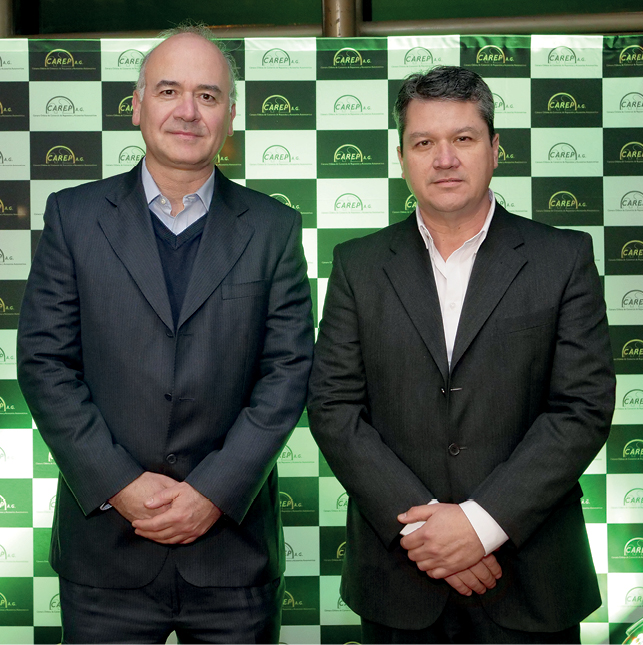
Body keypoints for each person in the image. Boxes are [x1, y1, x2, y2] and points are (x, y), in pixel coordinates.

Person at [17, 25, 313, 644]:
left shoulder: (274, 228)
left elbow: (287, 373)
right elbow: (45, 363)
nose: (188, 111)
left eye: (208, 95)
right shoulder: (73, 217)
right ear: (136, 105)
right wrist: (120, 484)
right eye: (169, 90)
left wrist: (212, 492)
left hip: (232, 558)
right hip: (106, 555)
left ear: (231, 115)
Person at [307, 66, 615, 644]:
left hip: (530, 579)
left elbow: (582, 407)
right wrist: (428, 534)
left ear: (495, 149)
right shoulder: (357, 265)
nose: (444, 159)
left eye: (463, 138)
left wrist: (480, 525)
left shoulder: (563, 258)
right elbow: (334, 408)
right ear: (402, 158)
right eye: (424, 142)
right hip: (400, 578)